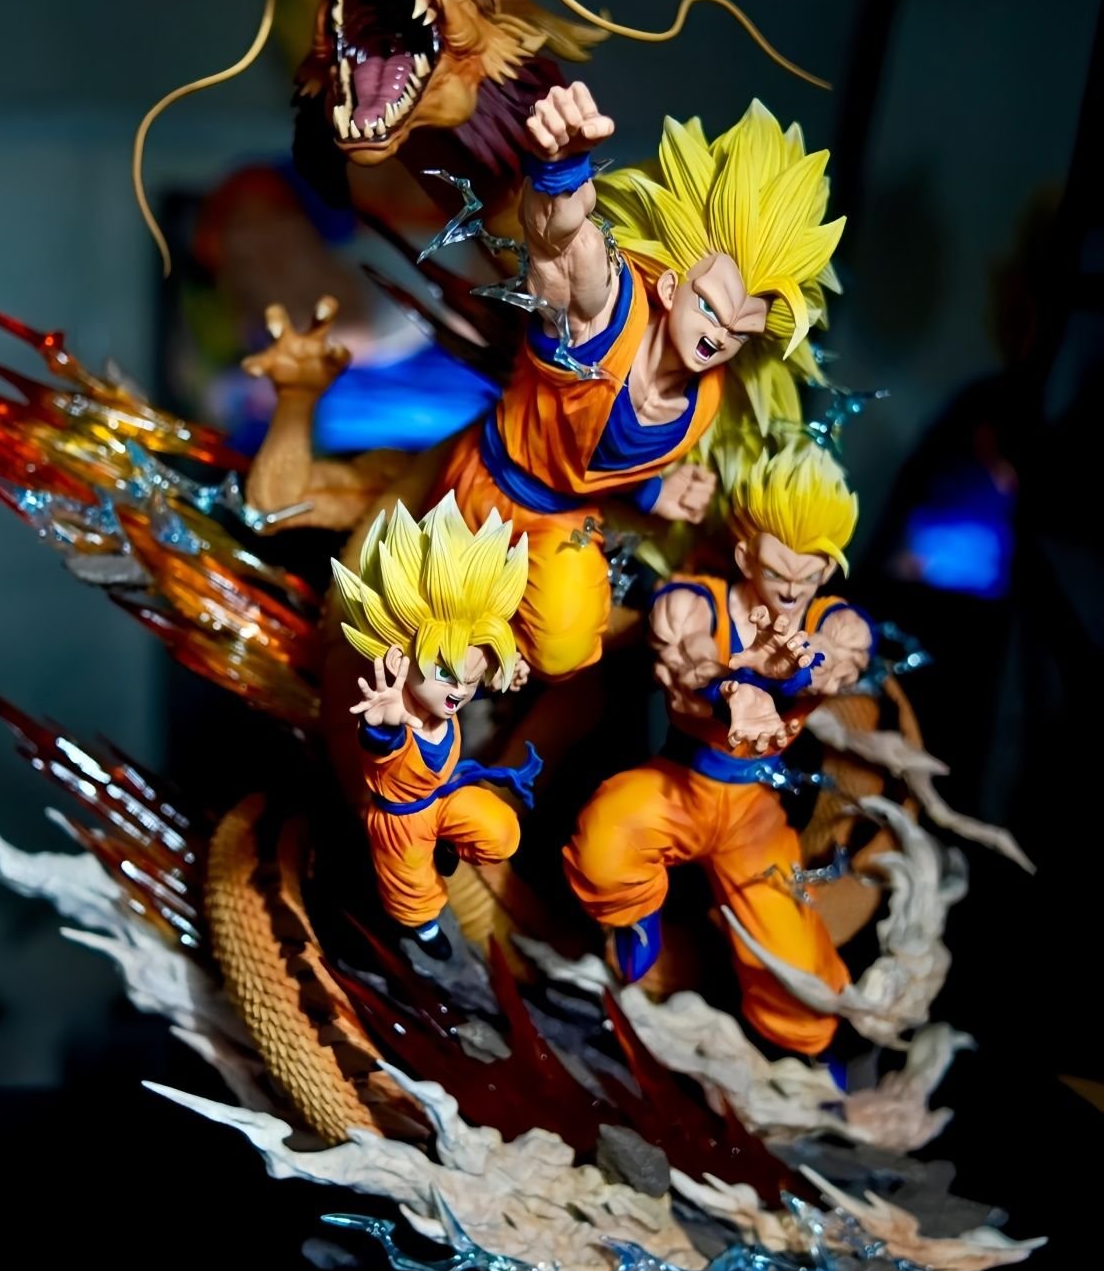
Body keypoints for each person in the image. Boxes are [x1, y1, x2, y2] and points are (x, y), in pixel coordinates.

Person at [434, 82, 845, 680]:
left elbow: (604, 464)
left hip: (561, 524)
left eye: (740, 331)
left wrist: (654, 493)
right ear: (672, 287)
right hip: (480, 484)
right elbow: (563, 255)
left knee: (566, 652)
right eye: (711, 307)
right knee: (421, 622)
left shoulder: (704, 402)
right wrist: (561, 173)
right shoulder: (609, 317)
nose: (719, 334)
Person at [562, 444, 874, 1056]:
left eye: (809, 575)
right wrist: (735, 684)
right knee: (605, 842)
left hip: (756, 814)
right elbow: (690, 659)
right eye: (778, 572)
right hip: (681, 786)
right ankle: (635, 916)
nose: (793, 589)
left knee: (794, 971)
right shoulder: (693, 601)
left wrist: (798, 667)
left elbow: (840, 658)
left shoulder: (833, 621)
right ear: (745, 555)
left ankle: (811, 1055)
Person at [333, 492, 536, 958]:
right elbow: (380, 746)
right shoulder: (394, 716)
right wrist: (383, 727)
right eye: (447, 674)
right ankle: (422, 929)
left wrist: (500, 676)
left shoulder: (444, 695)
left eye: (469, 678)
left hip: (444, 799)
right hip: (400, 825)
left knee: (500, 831)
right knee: (412, 894)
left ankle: (450, 847)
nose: (459, 691)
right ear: (400, 660)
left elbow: (462, 689)